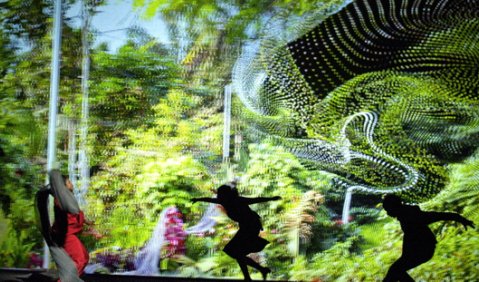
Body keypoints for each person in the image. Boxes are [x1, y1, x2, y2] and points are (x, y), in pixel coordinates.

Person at [192, 183, 281, 281]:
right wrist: (197, 199)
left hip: (251, 226)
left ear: (226, 195)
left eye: (220, 194)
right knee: (236, 253)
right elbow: (209, 199)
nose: (218, 196)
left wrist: (272, 198)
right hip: (246, 227)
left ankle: (253, 274)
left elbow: (256, 199)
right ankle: (259, 271)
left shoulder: (238, 200)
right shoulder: (223, 201)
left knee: (234, 251)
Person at [382, 194, 474, 282]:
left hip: (423, 251)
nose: (388, 213)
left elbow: (440, 215)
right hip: (417, 251)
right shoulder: (407, 215)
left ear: (394, 207)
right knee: (397, 271)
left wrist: (461, 219)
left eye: (388, 209)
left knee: (396, 270)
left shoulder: (414, 216)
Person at [50, 176, 90, 278]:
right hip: (66, 235)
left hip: (69, 234)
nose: (71, 184)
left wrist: (86, 222)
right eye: (69, 182)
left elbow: (71, 216)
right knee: (80, 260)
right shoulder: (61, 199)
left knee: (84, 257)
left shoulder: (64, 198)